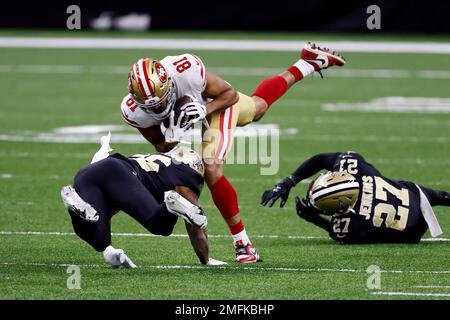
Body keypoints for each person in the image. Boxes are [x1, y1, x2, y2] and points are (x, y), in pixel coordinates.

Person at [120, 42, 346, 262]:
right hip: (193, 117)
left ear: (168, 83)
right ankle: (308, 62)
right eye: (151, 107)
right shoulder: (133, 111)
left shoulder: (185, 70)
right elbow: (161, 146)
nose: (158, 109)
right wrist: (175, 133)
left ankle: (243, 244)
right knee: (258, 107)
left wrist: (203, 110)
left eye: (160, 102)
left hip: (215, 105)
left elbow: (230, 95)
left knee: (211, 166)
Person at [61, 138, 226, 267]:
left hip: (88, 173)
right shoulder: (185, 174)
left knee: (96, 231)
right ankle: (169, 206)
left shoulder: (156, 162)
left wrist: (111, 250)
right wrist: (206, 259)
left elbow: (110, 209)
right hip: (117, 171)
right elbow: (195, 226)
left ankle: (74, 206)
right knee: (160, 226)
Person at [261, 151, 449, 243]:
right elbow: (320, 160)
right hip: (416, 194)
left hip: (413, 230)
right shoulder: (354, 164)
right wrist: (289, 182)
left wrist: (314, 218)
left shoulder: (352, 226)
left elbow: (336, 233)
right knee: (441, 195)